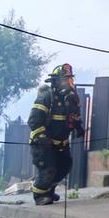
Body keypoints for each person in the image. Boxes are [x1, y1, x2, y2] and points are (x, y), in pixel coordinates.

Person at [28, 64, 83, 205]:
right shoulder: (47, 97)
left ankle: (49, 192)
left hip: (61, 144)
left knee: (65, 166)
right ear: (55, 81)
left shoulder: (71, 99)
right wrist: (43, 138)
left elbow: (74, 116)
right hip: (43, 144)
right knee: (49, 169)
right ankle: (39, 196)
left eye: (69, 79)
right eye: (64, 80)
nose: (67, 83)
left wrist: (78, 127)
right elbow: (33, 121)